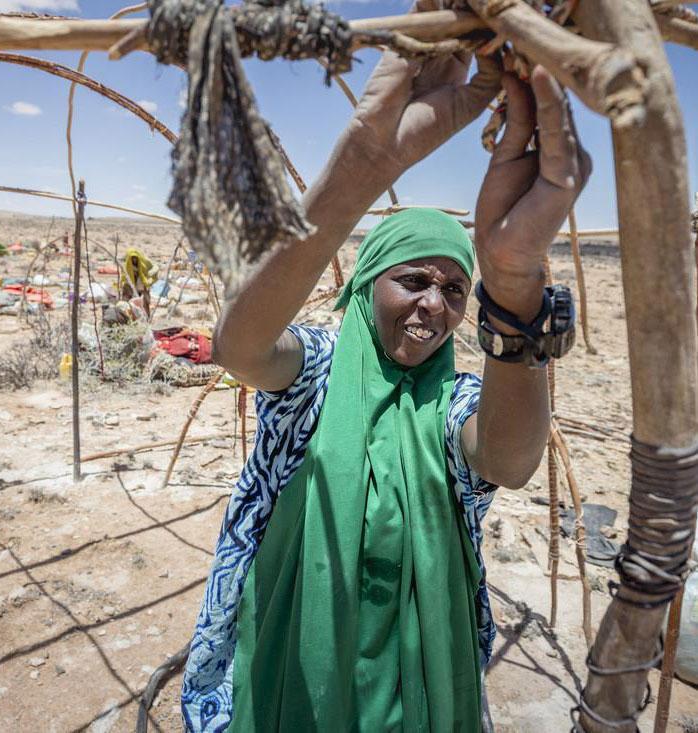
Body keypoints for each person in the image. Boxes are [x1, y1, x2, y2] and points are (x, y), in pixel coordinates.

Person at [179, 22, 591, 733]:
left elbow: (507, 459)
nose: (436, 304)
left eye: (456, 289)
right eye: (414, 280)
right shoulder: (315, 368)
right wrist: (361, 168)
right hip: (291, 670)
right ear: (367, 282)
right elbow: (241, 346)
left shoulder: (453, 398)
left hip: (417, 681)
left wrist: (514, 285)